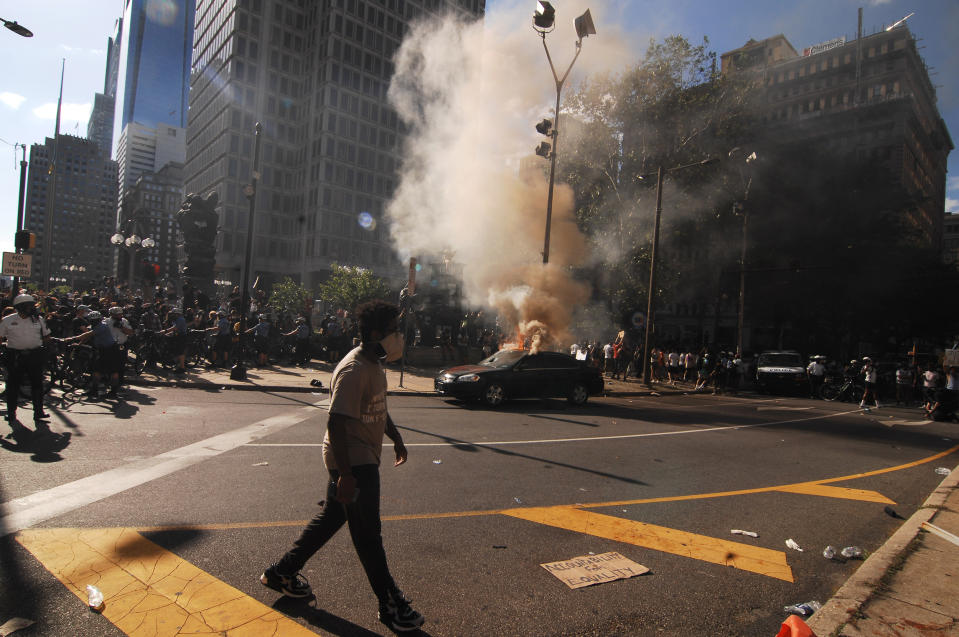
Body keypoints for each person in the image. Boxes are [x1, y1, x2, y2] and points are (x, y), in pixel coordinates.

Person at [260, 300, 424, 631]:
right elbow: (336, 422)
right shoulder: (354, 370)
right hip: (352, 458)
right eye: (394, 330)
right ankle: (390, 603)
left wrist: (396, 437)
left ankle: (282, 572)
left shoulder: (373, 364)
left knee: (331, 518)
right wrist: (347, 476)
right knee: (367, 533)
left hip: (358, 455)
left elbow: (377, 405)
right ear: (377, 333)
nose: (399, 337)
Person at [0, 294, 54, 424]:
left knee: (37, 385)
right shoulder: (7, 320)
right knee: (13, 385)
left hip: (34, 355)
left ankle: (38, 412)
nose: (30, 308)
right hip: (15, 356)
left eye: (31, 305)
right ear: (19, 307)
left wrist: (46, 351)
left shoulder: (38, 319)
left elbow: (47, 336)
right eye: (27, 305)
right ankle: (11, 413)